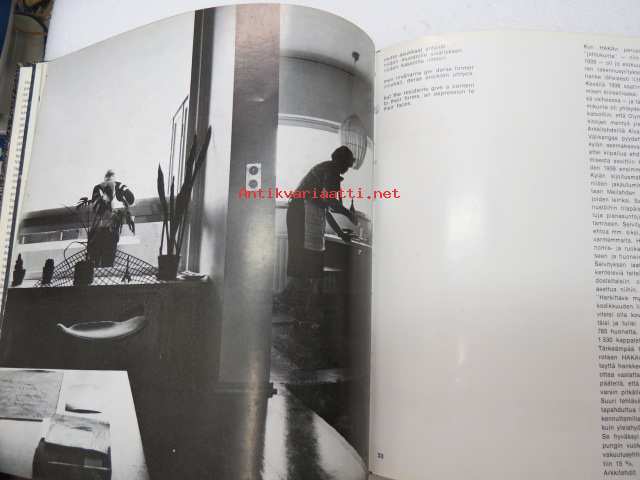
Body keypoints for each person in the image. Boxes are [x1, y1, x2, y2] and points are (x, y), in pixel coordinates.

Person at [277, 146, 357, 321]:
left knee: (306, 266)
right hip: (300, 214)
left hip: (301, 213)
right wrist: (349, 215)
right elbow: (331, 203)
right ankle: (297, 309)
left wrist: (341, 233)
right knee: (304, 266)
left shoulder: (328, 172)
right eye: (347, 165)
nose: (347, 169)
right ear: (341, 161)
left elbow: (326, 210)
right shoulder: (330, 171)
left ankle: (292, 306)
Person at [88, 170, 135, 267]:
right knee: (108, 261)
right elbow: (131, 199)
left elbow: (96, 208)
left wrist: (105, 197)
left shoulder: (98, 187)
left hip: (98, 229)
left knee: (95, 262)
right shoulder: (119, 186)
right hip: (112, 229)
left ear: (105, 178)